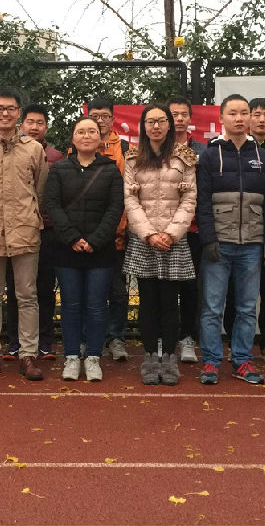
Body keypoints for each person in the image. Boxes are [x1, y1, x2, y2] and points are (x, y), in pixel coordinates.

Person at [196, 95, 265, 386]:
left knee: (246, 308)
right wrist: (208, 238)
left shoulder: (263, 157)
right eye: (233, 113)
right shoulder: (210, 156)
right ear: (221, 118)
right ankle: (211, 361)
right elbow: (202, 202)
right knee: (212, 307)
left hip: (252, 245)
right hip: (219, 243)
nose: (239, 118)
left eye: (244, 112)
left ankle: (242, 360)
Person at [0, 87, 49, 382]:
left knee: (27, 295)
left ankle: (28, 355)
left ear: (18, 113)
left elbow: (40, 190)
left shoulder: (34, 149)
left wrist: (27, 215)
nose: (5, 113)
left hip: (25, 230)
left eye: (11, 108)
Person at [44, 116, 124, 381]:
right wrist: (73, 238)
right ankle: (71, 356)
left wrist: (95, 240)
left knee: (97, 305)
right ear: (73, 138)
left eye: (92, 131)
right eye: (81, 132)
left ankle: (93, 357)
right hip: (66, 250)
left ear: (100, 138)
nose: (87, 136)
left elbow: (115, 208)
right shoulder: (59, 169)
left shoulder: (111, 170)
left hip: (100, 251)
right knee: (70, 304)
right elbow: (52, 205)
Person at [123, 104, 197, 385]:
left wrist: (171, 233)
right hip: (144, 239)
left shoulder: (184, 157)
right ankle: (150, 356)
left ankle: (169, 357)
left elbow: (189, 199)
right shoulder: (133, 158)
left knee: (170, 302)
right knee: (148, 301)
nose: (156, 126)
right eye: (150, 121)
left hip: (173, 240)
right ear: (143, 126)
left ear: (169, 125)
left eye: (161, 121)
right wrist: (149, 234)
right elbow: (130, 200)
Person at [223, 97, 265, 364]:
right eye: (256, 114)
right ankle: (233, 342)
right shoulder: (234, 149)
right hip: (237, 231)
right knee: (234, 291)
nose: (261, 119)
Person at [4, 103, 63, 360]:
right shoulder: (9, 152)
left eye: (40, 123)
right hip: (16, 229)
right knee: (16, 288)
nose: (35, 127)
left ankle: (45, 341)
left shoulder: (56, 157)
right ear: (21, 125)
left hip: (47, 230)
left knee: (44, 288)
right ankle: (15, 341)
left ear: (46, 127)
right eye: (30, 122)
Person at [87, 97, 131, 362]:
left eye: (104, 116)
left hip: (117, 233)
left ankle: (116, 338)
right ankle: (90, 339)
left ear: (113, 119)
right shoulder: (77, 148)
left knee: (117, 291)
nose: (100, 120)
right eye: (94, 116)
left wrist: (121, 227)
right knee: (89, 291)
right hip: (87, 234)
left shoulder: (126, 149)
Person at [167, 95, 207, 364]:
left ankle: (188, 337)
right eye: (174, 115)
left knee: (191, 287)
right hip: (163, 230)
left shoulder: (203, 150)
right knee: (166, 287)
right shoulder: (157, 149)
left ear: (190, 118)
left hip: (193, 230)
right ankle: (166, 337)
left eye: (183, 114)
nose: (179, 119)